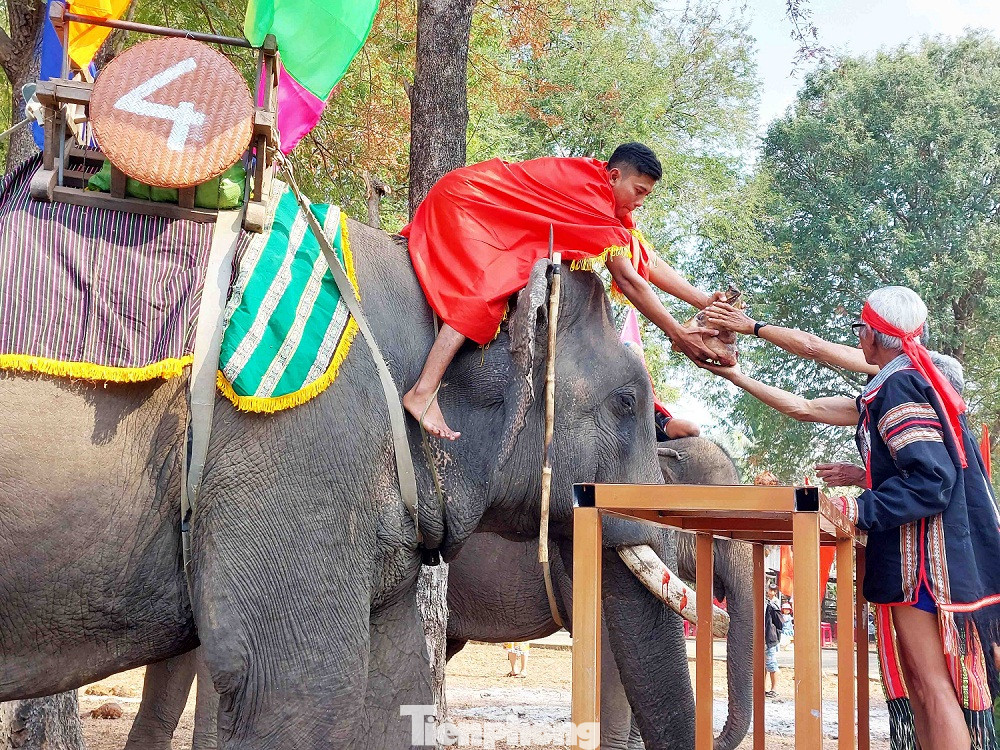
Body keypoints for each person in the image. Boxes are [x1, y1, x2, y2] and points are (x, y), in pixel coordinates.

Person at [701, 286, 1000, 749]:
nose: (857, 337)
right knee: (923, 687)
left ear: (876, 336)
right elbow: (806, 409)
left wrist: (857, 507)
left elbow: (931, 480)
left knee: (934, 686)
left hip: (922, 562)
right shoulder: (902, 382)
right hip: (924, 556)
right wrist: (735, 375)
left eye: (860, 328)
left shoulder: (900, 385)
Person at [400, 143, 731, 440]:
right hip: (468, 203)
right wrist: (676, 332)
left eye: (646, 195)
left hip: (483, 203)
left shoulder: (608, 196)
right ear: (615, 176)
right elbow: (628, 279)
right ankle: (423, 391)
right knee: (486, 291)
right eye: (639, 191)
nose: (641, 202)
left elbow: (644, 259)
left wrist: (702, 300)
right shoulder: (593, 202)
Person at [765, 583, 784, 697]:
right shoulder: (768, 602)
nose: (770, 592)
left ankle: (774, 689)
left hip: (770, 638)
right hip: (765, 638)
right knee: (764, 665)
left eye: (772, 590)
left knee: (772, 664)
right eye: (769, 590)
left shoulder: (774, 604)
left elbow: (779, 622)